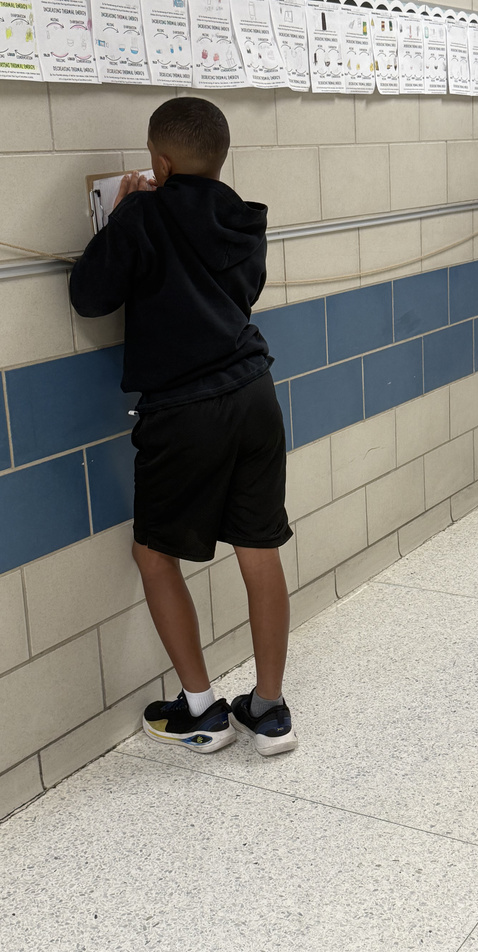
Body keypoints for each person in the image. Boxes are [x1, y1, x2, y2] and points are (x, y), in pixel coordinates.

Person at [70, 96, 297, 756]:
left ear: (159, 162)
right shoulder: (242, 217)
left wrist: (121, 219)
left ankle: (200, 709)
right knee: (259, 548)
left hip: (184, 409)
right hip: (255, 391)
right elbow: (242, 292)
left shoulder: (143, 212)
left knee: (153, 553)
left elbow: (90, 296)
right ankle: (268, 707)